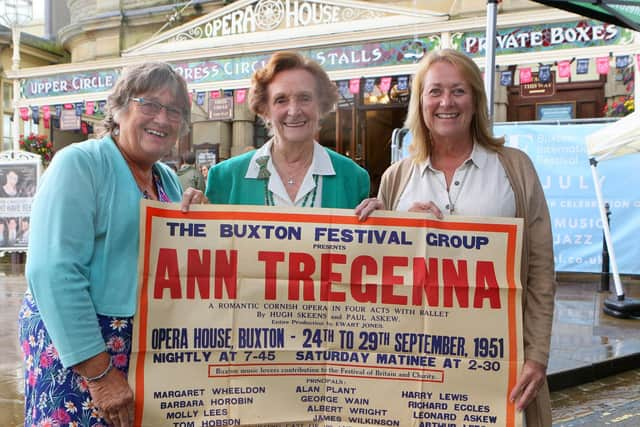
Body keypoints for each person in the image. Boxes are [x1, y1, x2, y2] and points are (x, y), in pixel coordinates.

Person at [355, 49, 555, 426]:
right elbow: (379, 277)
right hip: (418, 361)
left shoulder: (514, 167)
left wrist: (537, 353)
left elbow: (541, 270)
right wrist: (390, 228)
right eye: (435, 92)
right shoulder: (397, 177)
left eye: (458, 91)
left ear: (476, 100)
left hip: (499, 362)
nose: (446, 102)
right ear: (420, 102)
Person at [19, 62, 205, 427]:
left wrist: (201, 222)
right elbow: (52, 271)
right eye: (149, 104)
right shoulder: (79, 163)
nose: (162, 119)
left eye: (174, 111)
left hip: (138, 352)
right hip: (83, 353)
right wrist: (99, 374)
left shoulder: (166, 179)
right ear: (119, 110)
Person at [205, 51, 369, 208]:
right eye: (281, 100)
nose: (294, 111)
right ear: (264, 110)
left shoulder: (353, 178)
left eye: (304, 98)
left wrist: (378, 222)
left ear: (321, 105)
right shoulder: (225, 178)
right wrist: (194, 212)